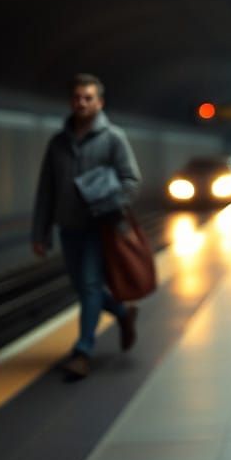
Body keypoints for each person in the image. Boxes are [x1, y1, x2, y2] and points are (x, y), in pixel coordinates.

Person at [32, 74, 142, 379]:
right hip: (68, 227)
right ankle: (123, 313)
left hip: (100, 228)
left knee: (91, 285)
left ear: (100, 102)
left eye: (88, 98)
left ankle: (83, 350)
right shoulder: (58, 143)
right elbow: (46, 190)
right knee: (81, 287)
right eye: (77, 97)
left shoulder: (113, 138)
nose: (81, 103)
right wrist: (39, 234)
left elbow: (132, 181)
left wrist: (105, 201)